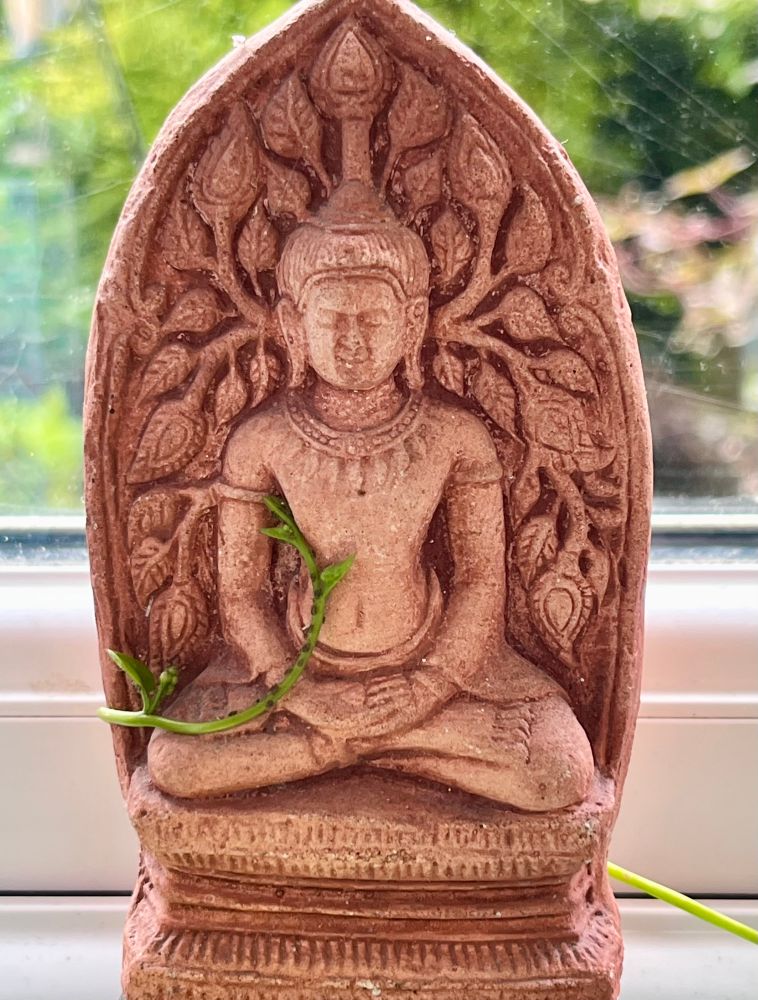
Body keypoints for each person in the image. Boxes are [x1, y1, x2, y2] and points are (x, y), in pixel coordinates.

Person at [148, 181, 593, 808]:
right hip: (299, 671)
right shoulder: (262, 440)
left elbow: (481, 583)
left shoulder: (455, 437)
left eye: (373, 320)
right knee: (175, 758)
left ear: (413, 323)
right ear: (292, 323)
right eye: (332, 320)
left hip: (435, 668)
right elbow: (243, 594)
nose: (352, 341)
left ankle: (357, 744)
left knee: (559, 770)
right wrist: (296, 691)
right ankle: (365, 746)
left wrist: (428, 685)